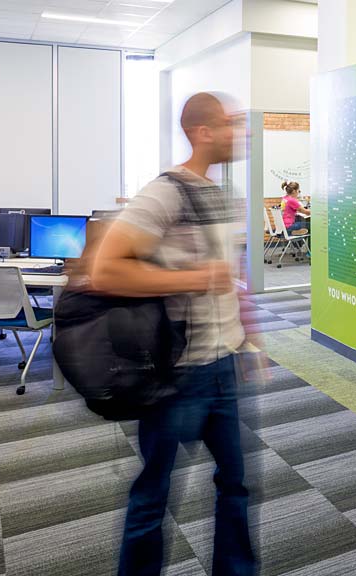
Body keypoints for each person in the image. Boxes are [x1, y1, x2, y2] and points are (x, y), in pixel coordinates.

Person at [90, 92, 256, 576]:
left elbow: (232, 276)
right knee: (154, 493)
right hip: (178, 375)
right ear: (203, 132)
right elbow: (106, 271)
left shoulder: (222, 195)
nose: (240, 132)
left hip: (224, 364)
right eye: (229, 124)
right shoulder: (164, 193)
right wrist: (196, 277)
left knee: (235, 485)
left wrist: (250, 337)